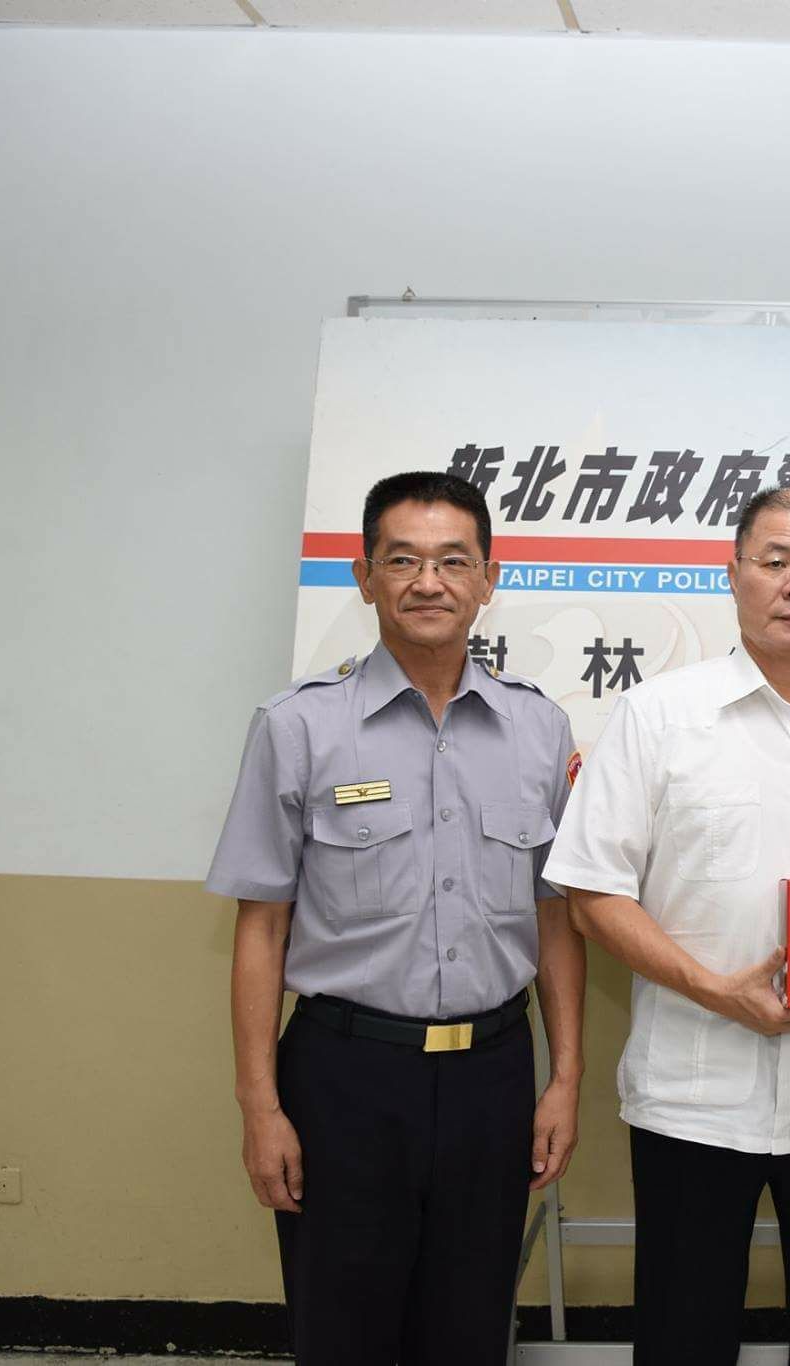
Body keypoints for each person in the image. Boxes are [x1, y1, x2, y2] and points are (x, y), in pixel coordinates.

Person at [544, 484, 790, 1366]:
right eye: (776, 561)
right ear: (734, 575)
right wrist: (717, 990)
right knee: (682, 1340)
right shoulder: (658, 715)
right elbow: (592, 895)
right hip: (695, 1098)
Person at [205, 471, 587, 1365]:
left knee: (470, 1332)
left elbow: (556, 920)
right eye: (403, 560)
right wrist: (260, 1106)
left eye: (453, 561)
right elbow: (261, 929)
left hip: (493, 1077)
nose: (429, 582)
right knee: (344, 1334)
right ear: (364, 576)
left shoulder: (539, 729)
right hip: (345, 1079)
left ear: (488, 579)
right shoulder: (298, 726)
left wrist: (564, 1077)